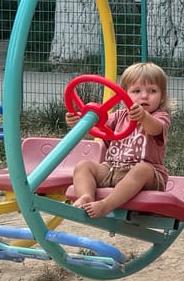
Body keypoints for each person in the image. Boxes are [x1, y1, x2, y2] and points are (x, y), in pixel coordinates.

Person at [66, 62, 172, 219]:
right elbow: (98, 130)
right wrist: (80, 123)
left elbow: (155, 128)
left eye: (152, 91)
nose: (144, 96)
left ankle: (106, 205)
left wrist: (143, 117)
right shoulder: (119, 116)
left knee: (142, 169)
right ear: (125, 94)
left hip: (148, 176)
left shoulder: (159, 116)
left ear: (162, 96)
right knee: (84, 166)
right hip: (112, 169)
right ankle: (86, 196)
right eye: (136, 91)